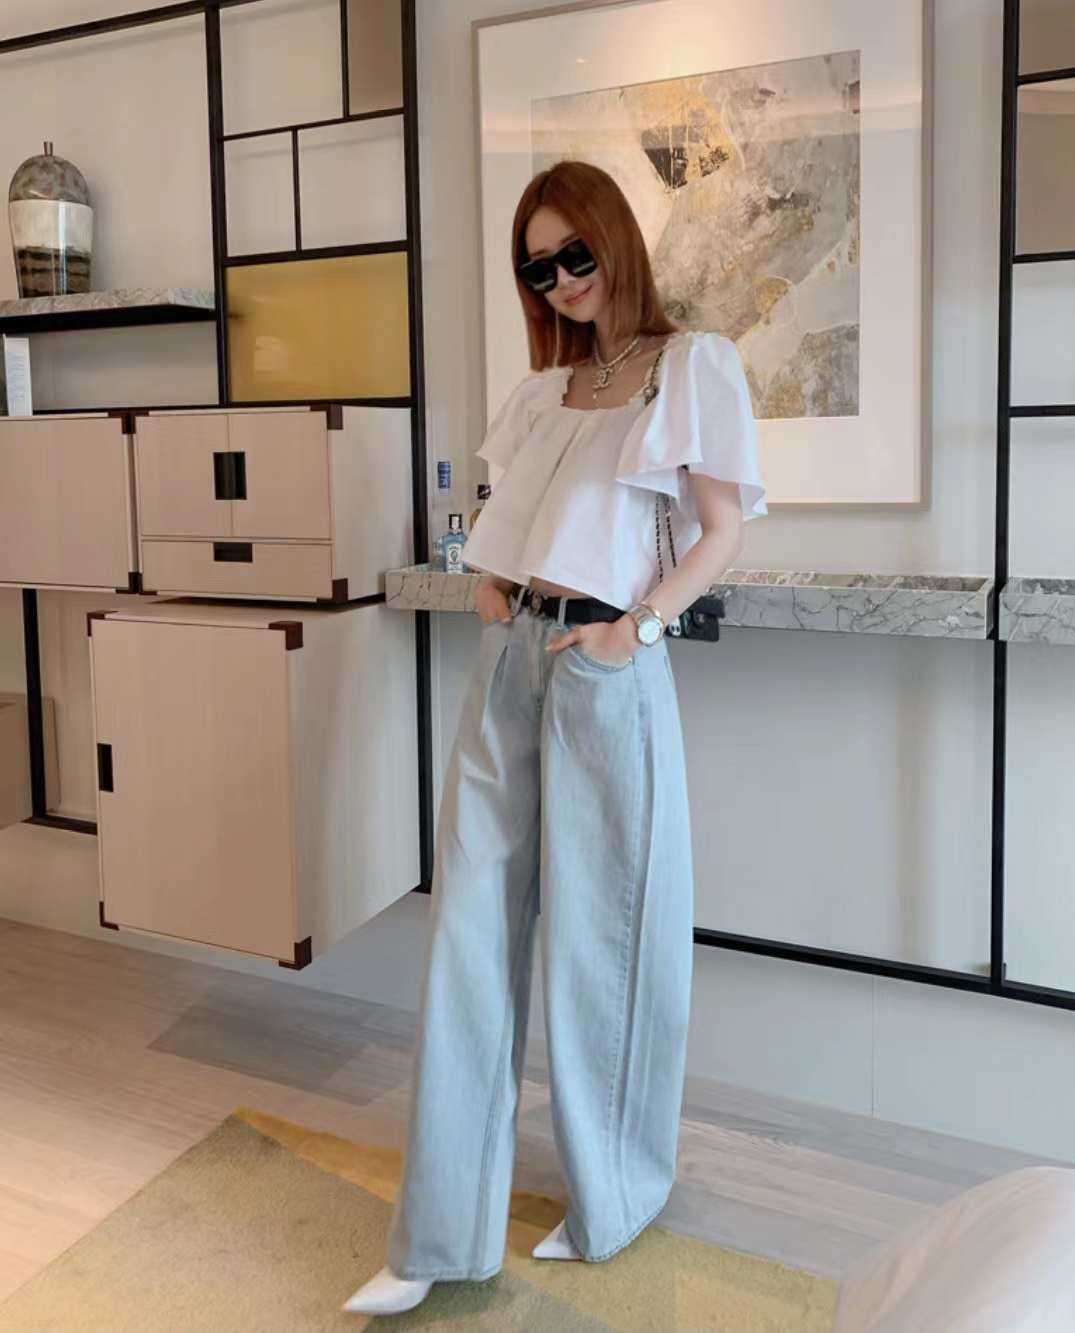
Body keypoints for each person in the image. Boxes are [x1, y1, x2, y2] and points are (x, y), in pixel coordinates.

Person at [343, 159, 767, 1319]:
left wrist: (636, 628)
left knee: (602, 941)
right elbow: (505, 523)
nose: (560, 280)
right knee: (467, 929)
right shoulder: (541, 393)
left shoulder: (689, 365)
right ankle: (437, 1235)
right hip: (509, 661)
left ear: (614, 239)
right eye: (537, 267)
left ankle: (611, 1197)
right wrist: (494, 584)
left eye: (574, 253)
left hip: (603, 666)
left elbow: (719, 529)